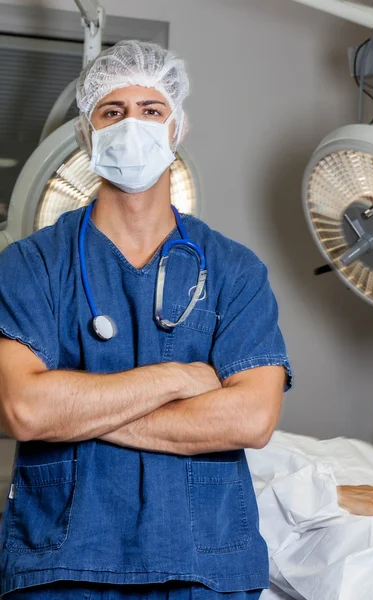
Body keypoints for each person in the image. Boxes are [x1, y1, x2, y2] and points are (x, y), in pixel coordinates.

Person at [0, 41, 292, 599]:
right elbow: (25, 410)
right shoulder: (31, 264)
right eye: (112, 111)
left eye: (151, 110)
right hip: (62, 564)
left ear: (176, 128)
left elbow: (252, 418)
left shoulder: (234, 270)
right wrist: (178, 379)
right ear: (87, 134)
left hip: (203, 563)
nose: (132, 125)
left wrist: (77, 410)